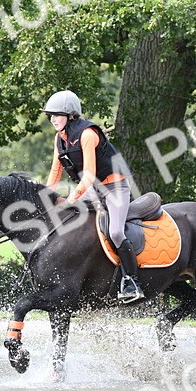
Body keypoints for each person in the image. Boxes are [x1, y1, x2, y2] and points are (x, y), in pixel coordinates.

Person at [42, 89, 143, 303]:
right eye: (50, 115)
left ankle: (132, 281)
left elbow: (87, 175)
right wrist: (46, 196)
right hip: (92, 189)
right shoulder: (59, 139)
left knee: (115, 232)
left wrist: (71, 199)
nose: (52, 119)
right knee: (65, 217)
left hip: (115, 187)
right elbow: (55, 171)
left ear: (70, 115)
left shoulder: (88, 134)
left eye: (56, 115)